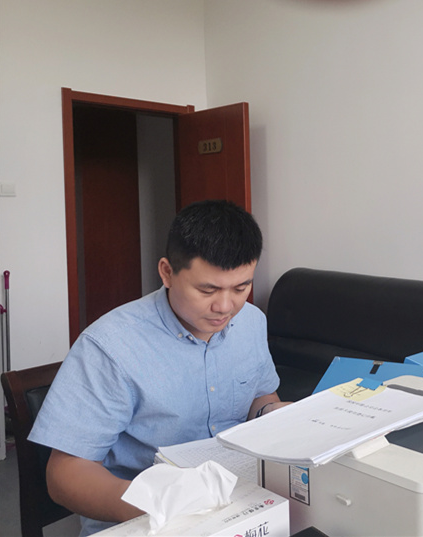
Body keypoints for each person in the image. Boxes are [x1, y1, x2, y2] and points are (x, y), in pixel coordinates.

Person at [29, 200, 286, 536]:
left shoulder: (251, 322)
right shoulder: (109, 347)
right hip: (143, 520)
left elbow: (260, 396)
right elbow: (65, 476)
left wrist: (272, 412)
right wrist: (162, 505)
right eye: (207, 289)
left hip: (240, 502)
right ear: (167, 272)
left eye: (241, 288)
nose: (225, 307)